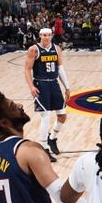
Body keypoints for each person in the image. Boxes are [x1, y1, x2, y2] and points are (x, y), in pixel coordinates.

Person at [24, 28, 71, 162]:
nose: (46, 37)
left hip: (54, 84)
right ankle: (44, 148)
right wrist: (31, 86)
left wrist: (67, 87)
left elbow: (60, 68)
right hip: (41, 85)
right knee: (46, 116)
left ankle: (52, 138)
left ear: (51, 36)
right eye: (44, 35)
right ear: (40, 36)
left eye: (49, 35)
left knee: (62, 115)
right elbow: (27, 70)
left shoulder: (57, 49)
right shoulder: (34, 49)